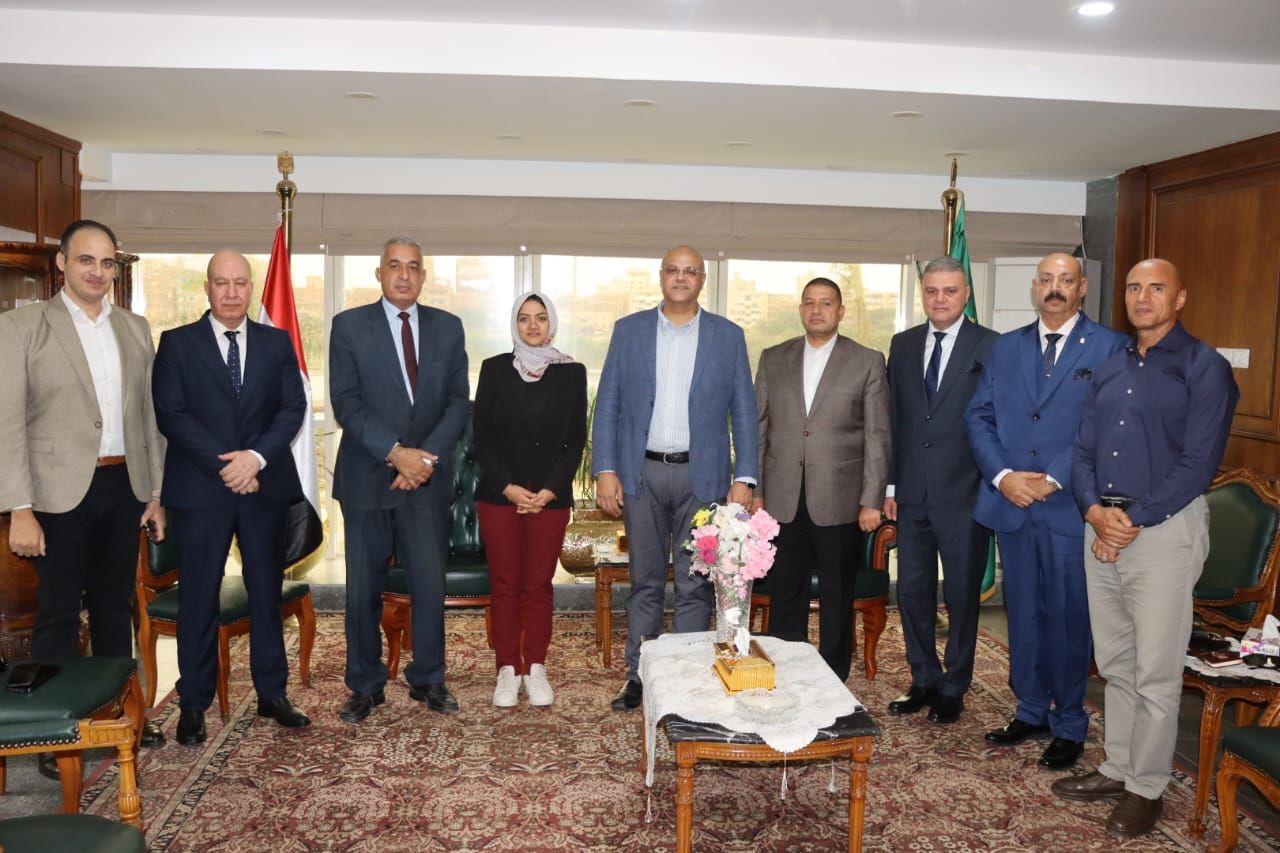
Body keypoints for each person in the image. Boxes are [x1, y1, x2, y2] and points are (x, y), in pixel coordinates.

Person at [1053, 258, 1238, 839]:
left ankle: (1147, 787)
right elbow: (1082, 452)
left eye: (1156, 288)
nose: (1142, 297)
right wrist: (1093, 512)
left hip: (1163, 530)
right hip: (1102, 525)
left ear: (1179, 298)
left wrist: (1129, 520)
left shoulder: (1205, 367)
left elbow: (1198, 465)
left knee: (1155, 670)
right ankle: (1118, 767)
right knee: (1115, 663)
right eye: (1134, 287)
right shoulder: (1109, 368)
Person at [0, 219, 167, 747]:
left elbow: (149, 417)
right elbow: (7, 422)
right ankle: (56, 729)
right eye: (86, 260)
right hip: (55, 495)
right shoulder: (22, 327)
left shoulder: (135, 327)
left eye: (106, 262)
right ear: (62, 264)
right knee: (57, 614)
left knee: (115, 607)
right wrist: (19, 507)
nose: (97, 271)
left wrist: (156, 493)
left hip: (124, 487)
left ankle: (122, 716)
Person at [965, 252, 1126, 768]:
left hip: (1068, 506)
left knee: (1068, 617)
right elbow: (979, 416)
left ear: (1082, 288)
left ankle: (1070, 721)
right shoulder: (1005, 347)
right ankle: (1031, 709)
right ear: (1034, 288)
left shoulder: (1110, 346)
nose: (1055, 288)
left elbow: (1103, 424)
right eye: (1047, 280)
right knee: (1024, 613)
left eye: (1066, 280)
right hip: (1011, 502)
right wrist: (1003, 476)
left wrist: (1054, 478)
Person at [153, 250, 311, 745]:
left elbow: (292, 407)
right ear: (207, 288)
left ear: (250, 288)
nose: (231, 292)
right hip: (202, 489)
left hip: (263, 485)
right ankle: (194, 703)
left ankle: (272, 693)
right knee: (199, 597)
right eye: (221, 282)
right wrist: (228, 466)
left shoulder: (275, 342)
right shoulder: (177, 343)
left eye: (240, 282)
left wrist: (255, 459)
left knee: (266, 593)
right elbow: (171, 414)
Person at [593, 244, 758, 711]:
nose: (681, 278)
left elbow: (744, 411)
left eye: (691, 271)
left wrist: (745, 476)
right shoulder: (629, 331)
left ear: (702, 280)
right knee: (644, 583)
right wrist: (605, 469)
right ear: (661, 276)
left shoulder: (728, 336)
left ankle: (685, 676)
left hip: (703, 480)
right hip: (641, 475)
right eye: (673, 270)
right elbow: (608, 404)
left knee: (694, 585)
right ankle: (640, 675)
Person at [329, 236, 469, 722]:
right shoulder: (349, 326)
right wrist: (395, 453)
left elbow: (458, 401)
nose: (404, 275)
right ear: (379, 273)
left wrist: (422, 461)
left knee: (428, 585)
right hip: (367, 478)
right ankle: (365, 685)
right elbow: (346, 402)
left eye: (413, 267)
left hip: (425, 481)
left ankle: (429, 677)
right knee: (362, 589)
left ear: (424, 276)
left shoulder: (448, 328)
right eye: (394, 265)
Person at [753, 277, 890, 681]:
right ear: (800, 310)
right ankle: (786, 667)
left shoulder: (867, 360)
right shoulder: (773, 358)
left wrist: (872, 499)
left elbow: (878, 435)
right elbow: (758, 428)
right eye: (809, 302)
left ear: (840, 311)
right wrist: (756, 490)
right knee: (786, 590)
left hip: (841, 499)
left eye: (826, 303)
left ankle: (832, 675)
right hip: (781, 497)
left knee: (837, 592)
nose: (817, 310)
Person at [883, 255, 997, 725]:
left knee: (963, 594)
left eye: (950, 291)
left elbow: (997, 420)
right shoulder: (903, 344)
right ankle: (923, 677)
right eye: (932, 291)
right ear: (923, 294)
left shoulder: (990, 345)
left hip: (965, 493)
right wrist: (890, 484)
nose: (940, 299)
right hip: (912, 493)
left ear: (965, 294)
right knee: (913, 591)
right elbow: (895, 419)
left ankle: (954, 685)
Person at [473, 293, 586, 707]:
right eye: (524, 318)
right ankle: (507, 668)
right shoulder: (494, 369)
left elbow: (575, 439)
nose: (533, 325)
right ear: (514, 324)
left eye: (540, 318)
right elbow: (482, 437)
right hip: (499, 496)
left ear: (551, 324)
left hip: (549, 498)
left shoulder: (571, 372)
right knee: (505, 585)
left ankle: (535, 666)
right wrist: (508, 487)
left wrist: (550, 490)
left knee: (538, 586)